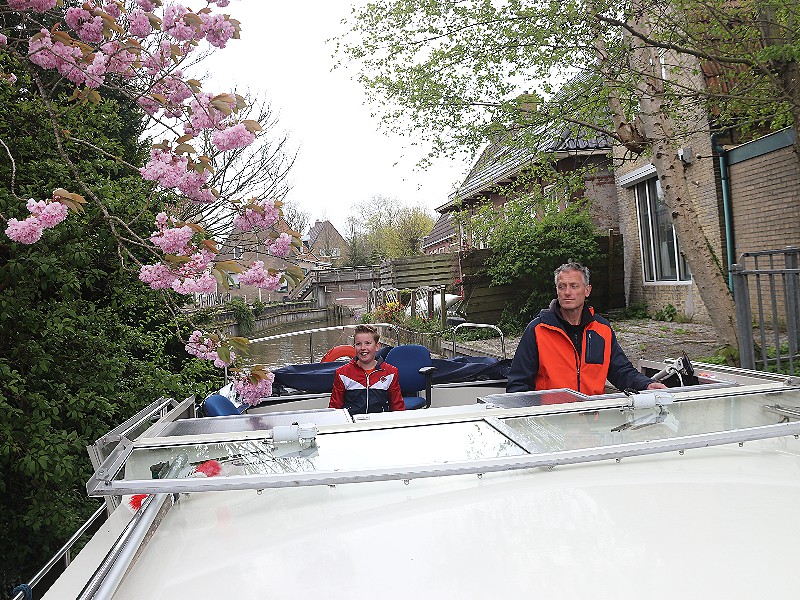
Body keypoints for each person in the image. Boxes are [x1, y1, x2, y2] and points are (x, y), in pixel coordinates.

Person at [506, 262, 667, 396]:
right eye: (562, 287)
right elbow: (518, 385)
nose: (567, 292)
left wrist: (647, 385)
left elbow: (621, 371)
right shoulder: (538, 330)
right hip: (552, 423)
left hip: (592, 423)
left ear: (587, 290)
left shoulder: (602, 330)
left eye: (574, 286)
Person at [329, 324, 406, 414]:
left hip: (380, 423)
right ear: (354, 347)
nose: (363, 348)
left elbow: (398, 407)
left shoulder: (391, 373)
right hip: (354, 424)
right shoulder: (342, 373)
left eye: (368, 343)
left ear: (377, 346)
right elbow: (334, 408)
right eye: (358, 344)